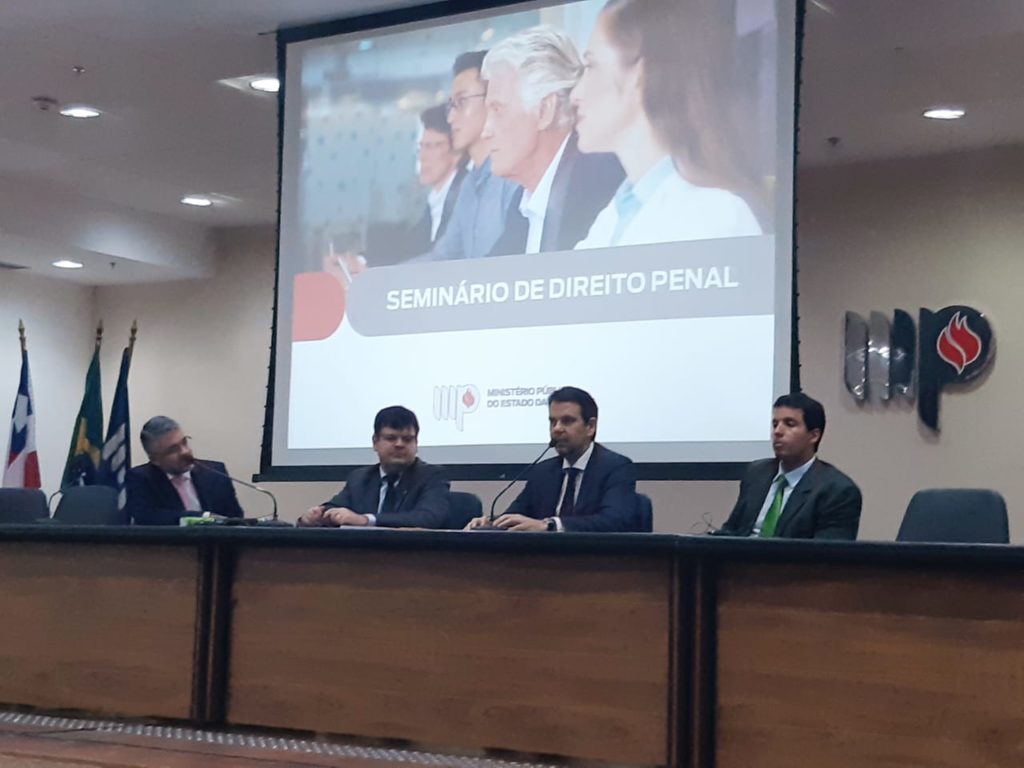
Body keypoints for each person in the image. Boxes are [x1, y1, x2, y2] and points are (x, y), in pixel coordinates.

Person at [571, 0, 763, 250]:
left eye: (591, 66)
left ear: (639, 73)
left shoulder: (718, 217)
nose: (575, 94)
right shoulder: (614, 216)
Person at [480, 26, 624, 256]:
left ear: (544, 111)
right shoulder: (521, 204)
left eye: (498, 110)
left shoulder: (602, 186)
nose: (485, 131)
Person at [467, 387, 639, 532]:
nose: (557, 429)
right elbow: (518, 514)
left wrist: (551, 525)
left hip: (596, 559)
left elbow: (614, 521)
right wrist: (491, 523)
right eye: (553, 422)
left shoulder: (616, 467)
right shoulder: (542, 471)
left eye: (567, 421)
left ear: (590, 427)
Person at [410, 50, 521, 262]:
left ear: (493, 99)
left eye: (462, 102)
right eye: (451, 105)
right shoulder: (469, 185)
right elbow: (443, 256)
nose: (451, 118)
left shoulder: (514, 176)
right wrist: (376, 275)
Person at [715, 393, 862, 539]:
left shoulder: (837, 491)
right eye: (775, 424)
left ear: (814, 435)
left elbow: (827, 552)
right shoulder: (757, 473)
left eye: (790, 424)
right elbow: (731, 530)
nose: (777, 431)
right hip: (741, 553)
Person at [298, 406, 450, 528]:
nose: (400, 444)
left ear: (416, 444)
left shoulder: (432, 476)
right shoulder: (360, 478)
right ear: (375, 442)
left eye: (407, 439)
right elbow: (335, 507)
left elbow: (428, 518)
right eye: (391, 438)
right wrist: (315, 516)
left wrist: (365, 520)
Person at [365, 105, 467, 265]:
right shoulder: (432, 203)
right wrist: (362, 262)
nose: (422, 156)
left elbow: (441, 258)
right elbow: (409, 249)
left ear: (457, 152)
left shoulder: (467, 196)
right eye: (421, 147)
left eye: (432, 146)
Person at [126, 416, 244, 525]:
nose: (185, 452)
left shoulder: (214, 472)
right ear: (155, 459)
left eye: (185, 442)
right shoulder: (141, 478)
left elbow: (235, 518)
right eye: (173, 449)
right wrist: (203, 517)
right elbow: (148, 517)